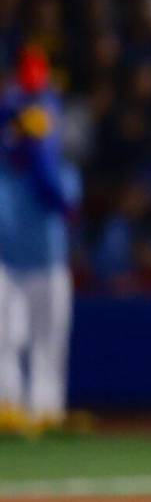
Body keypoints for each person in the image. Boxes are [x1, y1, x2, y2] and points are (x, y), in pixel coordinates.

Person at [0, 48, 80, 434]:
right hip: (6, 262)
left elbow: (63, 203)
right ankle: (8, 407)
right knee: (4, 336)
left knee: (48, 340)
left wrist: (38, 158)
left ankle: (46, 411)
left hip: (47, 262)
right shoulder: (5, 163)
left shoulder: (58, 167)